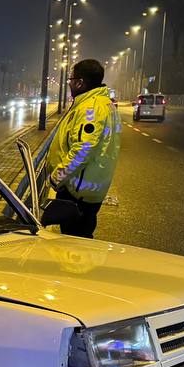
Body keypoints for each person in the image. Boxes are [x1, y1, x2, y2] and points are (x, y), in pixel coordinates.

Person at [45, 58, 120, 238]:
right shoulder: (103, 104)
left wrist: (56, 178)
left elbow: (83, 150)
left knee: (74, 246)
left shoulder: (91, 108)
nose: (69, 83)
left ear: (80, 83)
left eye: (70, 80)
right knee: (81, 238)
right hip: (88, 190)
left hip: (77, 191)